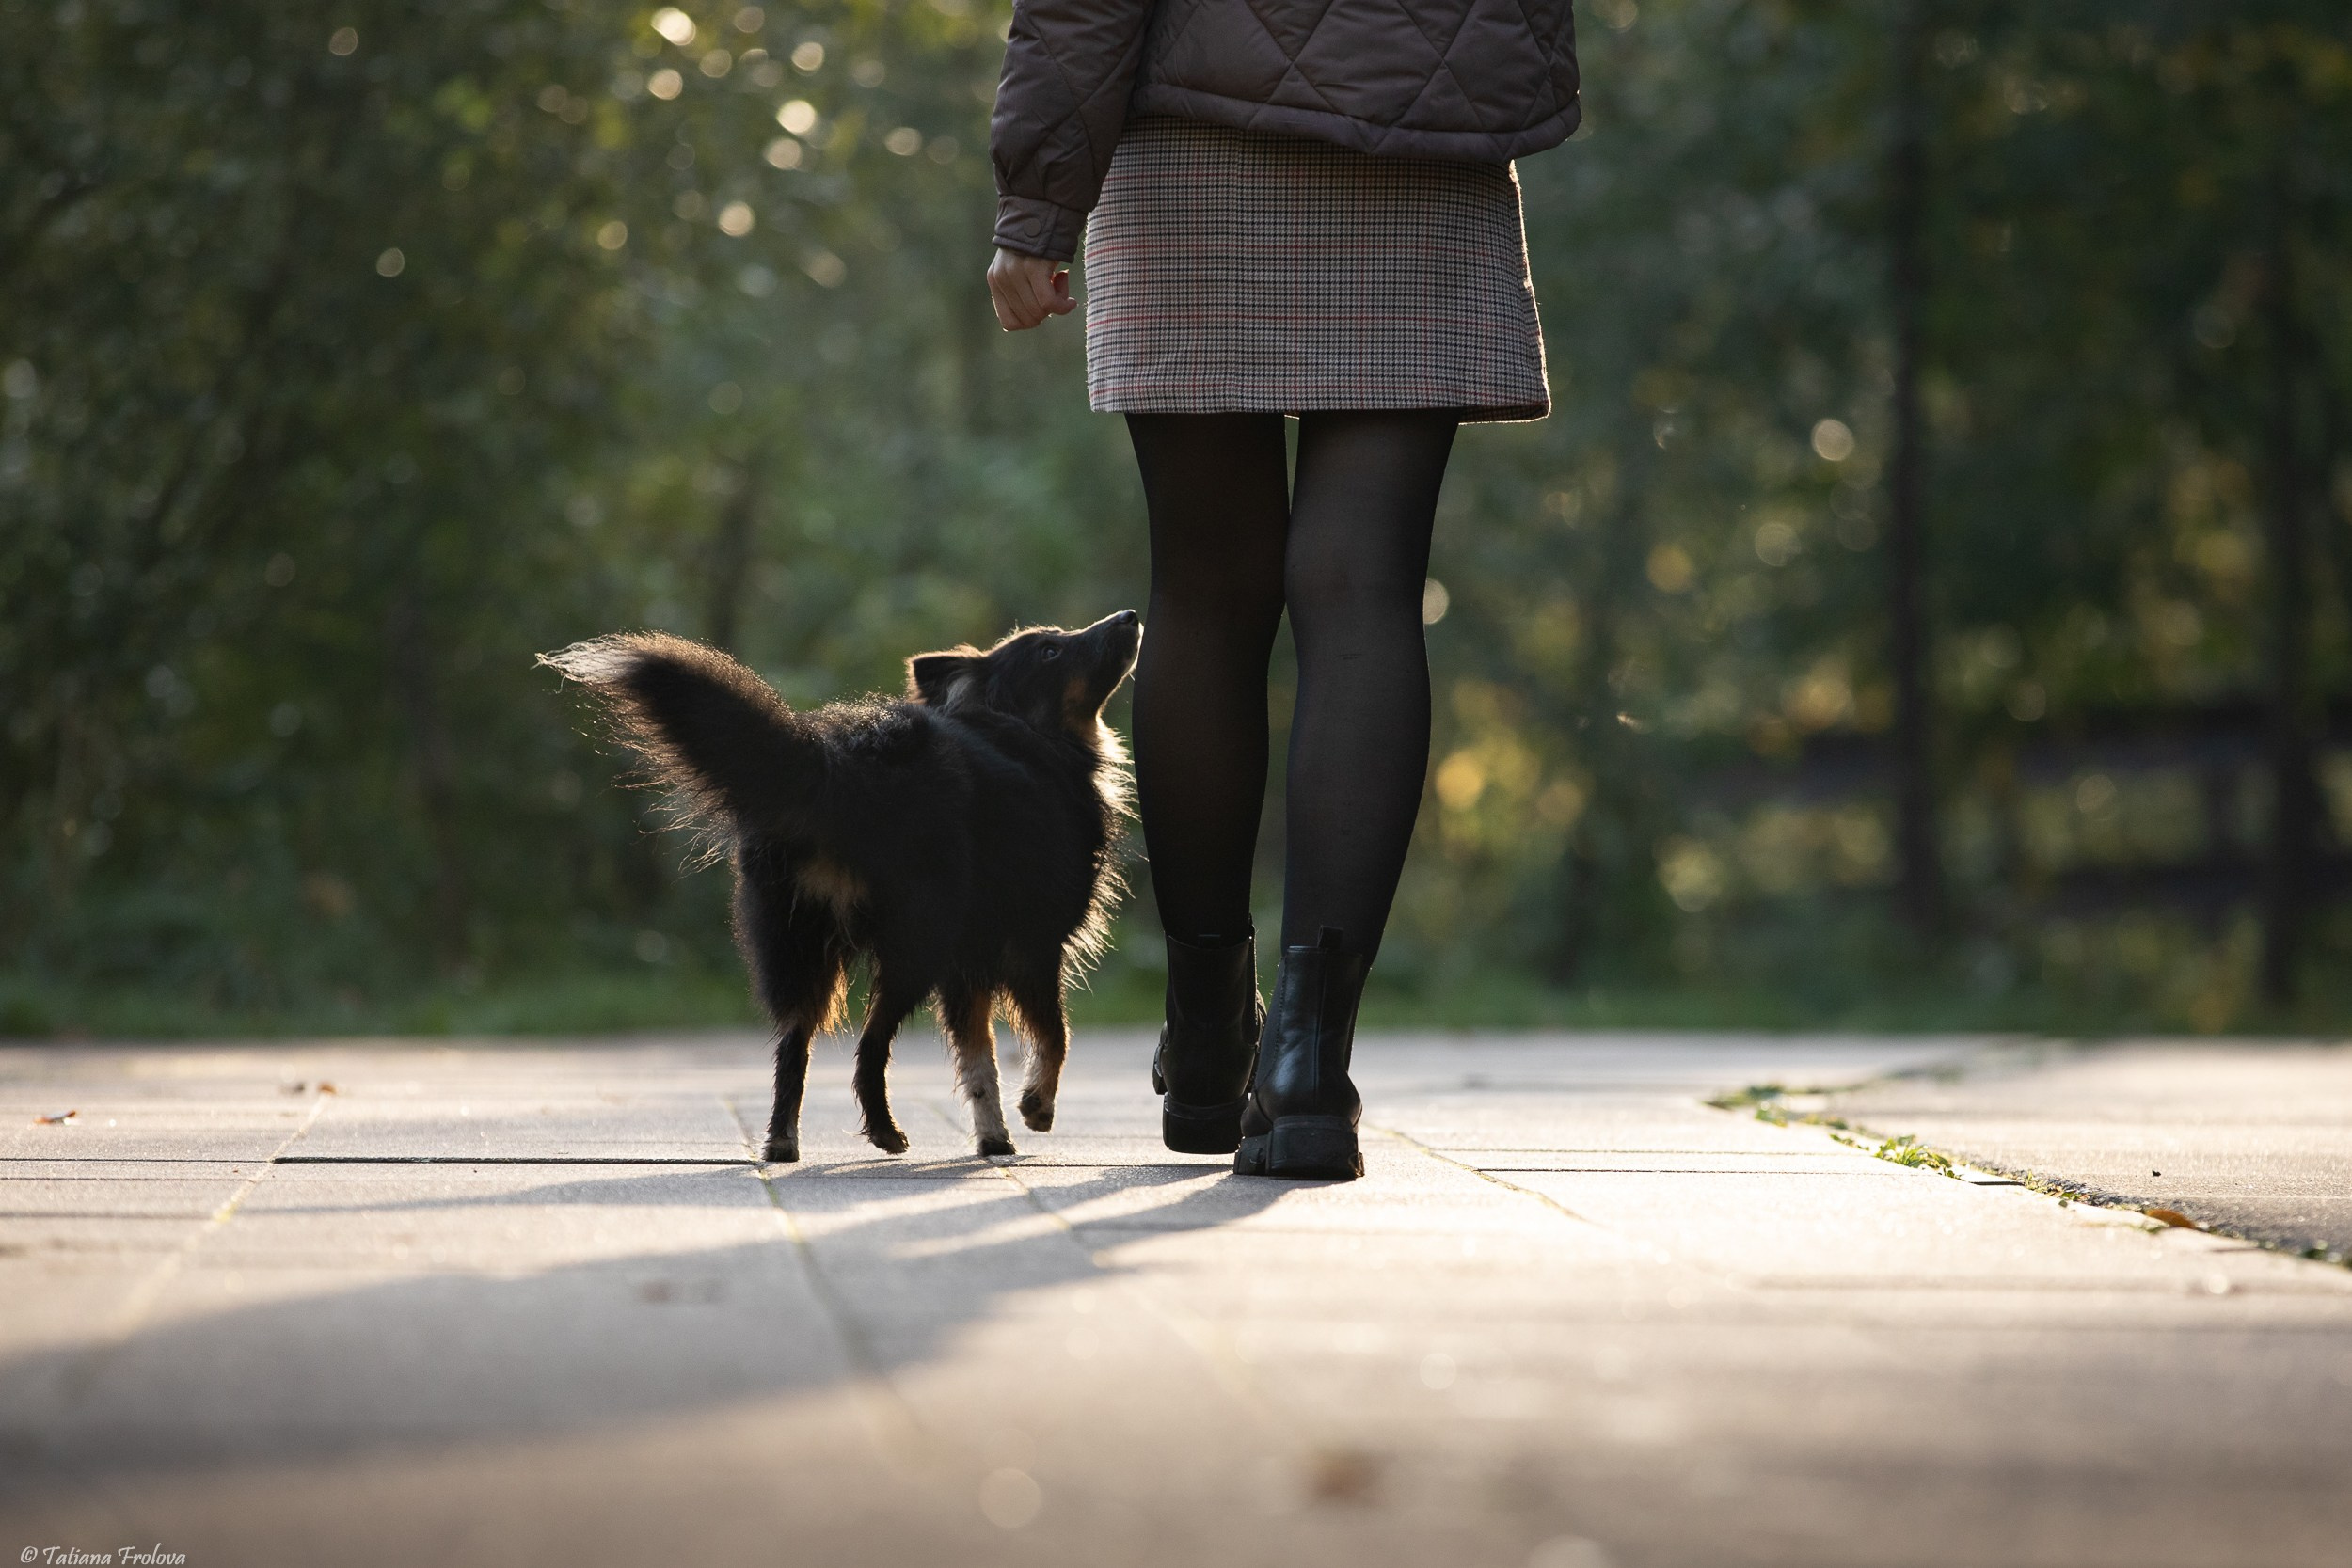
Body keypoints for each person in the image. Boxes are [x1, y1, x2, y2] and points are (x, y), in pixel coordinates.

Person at [985, 0, 1581, 1180]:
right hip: (1424, 138)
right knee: (1365, 594)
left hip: (1197, 137)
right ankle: (1309, 1062)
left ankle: (1207, 1037)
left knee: (1205, 596)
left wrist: (1037, 200)